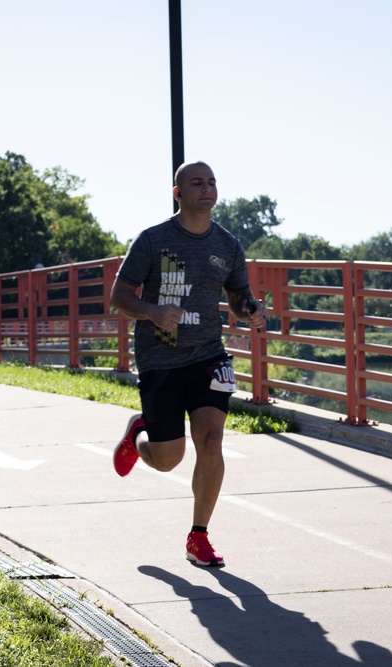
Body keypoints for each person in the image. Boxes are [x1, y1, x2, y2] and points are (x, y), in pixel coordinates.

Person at [110, 160, 266, 567]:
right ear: (178, 193)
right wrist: (152, 311)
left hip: (208, 354)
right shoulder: (153, 240)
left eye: (212, 182)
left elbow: (237, 294)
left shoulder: (228, 245)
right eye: (197, 182)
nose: (207, 188)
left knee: (212, 440)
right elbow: (120, 295)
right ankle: (138, 436)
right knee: (167, 460)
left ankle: (199, 536)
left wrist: (248, 307)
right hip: (160, 356)